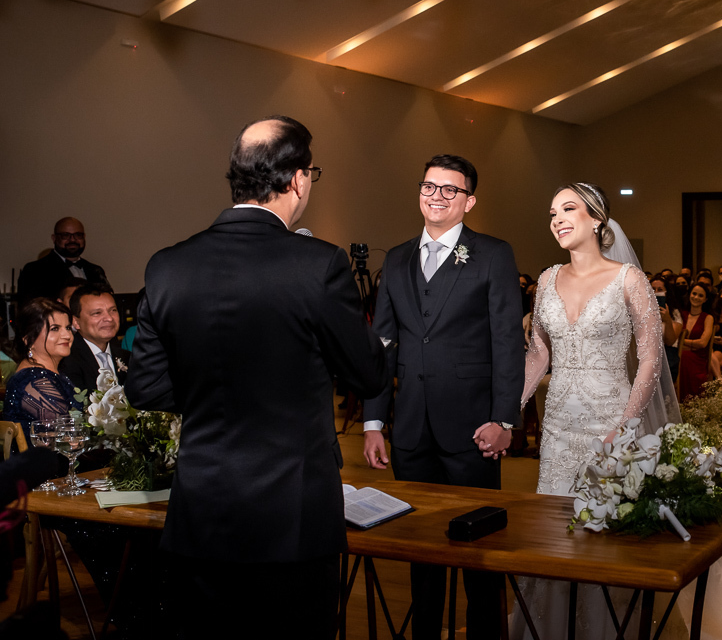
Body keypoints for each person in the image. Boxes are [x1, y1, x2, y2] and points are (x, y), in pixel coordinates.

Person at [127, 115, 387, 639]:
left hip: (201, 512)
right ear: (297, 179)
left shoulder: (167, 266)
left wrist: (214, 388)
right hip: (293, 517)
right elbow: (367, 375)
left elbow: (146, 387)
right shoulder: (319, 265)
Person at [362, 154, 523, 640]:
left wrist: (504, 420)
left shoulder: (492, 254)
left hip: (473, 429)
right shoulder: (396, 258)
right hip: (411, 430)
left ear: (469, 201)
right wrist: (374, 422)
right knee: (421, 552)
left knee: (480, 553)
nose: (437, 196)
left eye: (450, 189)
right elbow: (383, 345)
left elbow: (506, 342)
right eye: (429, 186)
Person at [513, 183, 680, 640]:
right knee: (554, 534)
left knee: (603, 535)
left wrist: (625, 428)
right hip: (557, 430)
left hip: (611, 424)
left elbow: (651, 359)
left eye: (568, 209)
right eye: (552, 213)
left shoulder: (629, 279)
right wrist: (510, 412)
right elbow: (538, 355)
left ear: (597, 219)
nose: (557, 220)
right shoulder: (547, 280)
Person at [2, 298, 76, 435]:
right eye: (55, 329)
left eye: (68, 328)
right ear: (29, 339)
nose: (67, 335)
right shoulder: (34, 382)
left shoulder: (50, 373)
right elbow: (68, 434)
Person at [17, 218, 108, 308]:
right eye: (65, 235)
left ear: (84, 237)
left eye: (78, 235)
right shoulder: (35, 269)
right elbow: (30, 309)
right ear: (54, 238)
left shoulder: (96, 270)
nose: (72, 240)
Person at [58, 284, 128, 393]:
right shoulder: (66, 361)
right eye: (97, 313)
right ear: (76, 322)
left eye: (113, 310)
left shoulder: (128, 358)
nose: (109, 318)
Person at [678, 284, 715, 401]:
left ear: (705, 299)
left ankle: (690, 402)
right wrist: (692, 344)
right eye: (694, 294)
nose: (696, 297)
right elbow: (673, 339)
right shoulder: (681, 314)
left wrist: (682, 341)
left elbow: (703, 343)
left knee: (684, 357)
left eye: (700, 295)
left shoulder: (708, 318)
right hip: (680, 354)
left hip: (698, 358)